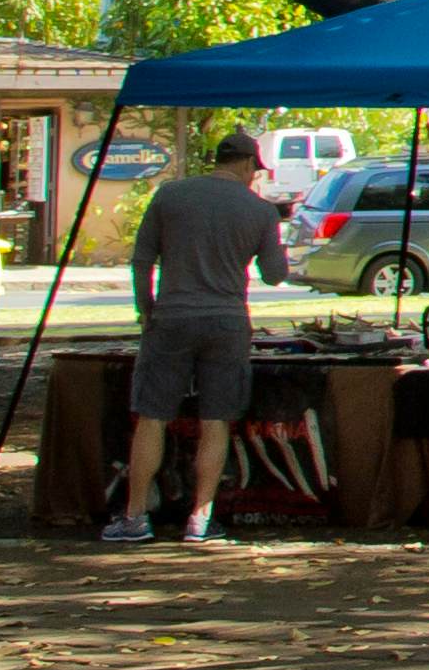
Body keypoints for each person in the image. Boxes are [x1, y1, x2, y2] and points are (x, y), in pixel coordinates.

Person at [108, 129, 295, 543]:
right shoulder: (259, 210)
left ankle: (135, 516)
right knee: (217, 420)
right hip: (227, 322)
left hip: (172, 317)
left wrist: (147, 311)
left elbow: (142, 260)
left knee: (152, 416)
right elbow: (276, 274)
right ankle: (200, 519)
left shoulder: (170, 195)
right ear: (249, 165)